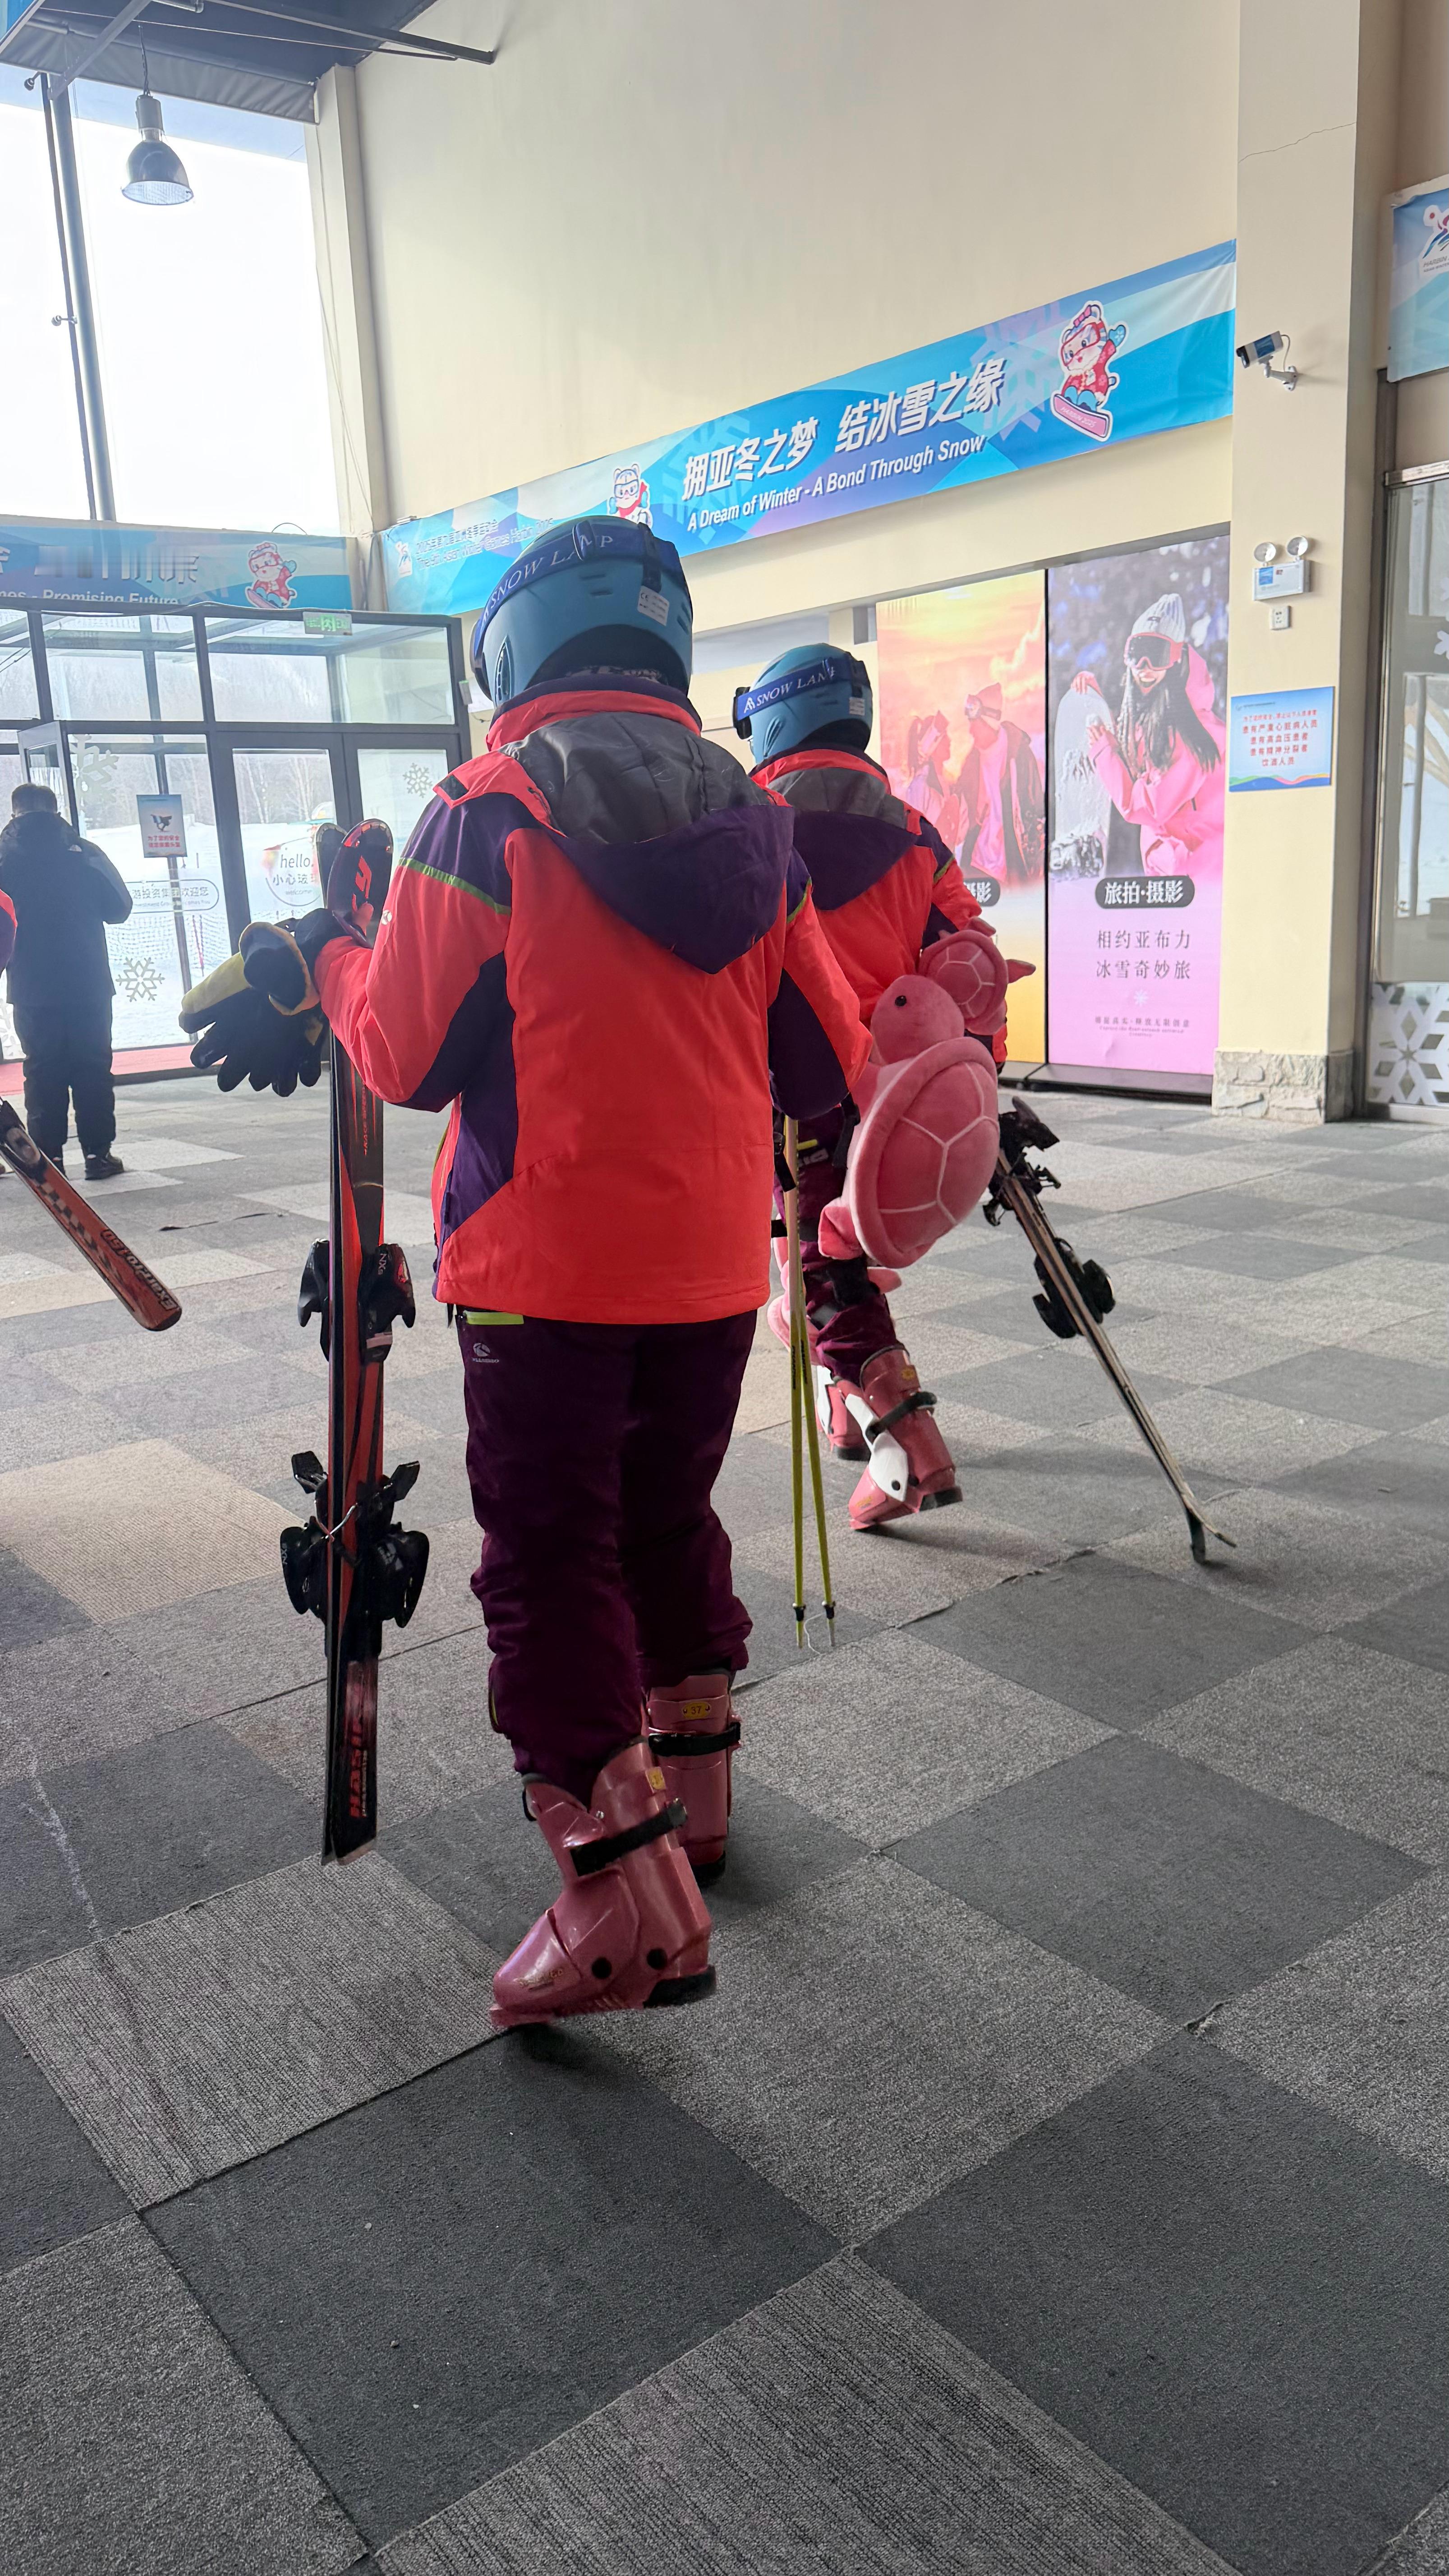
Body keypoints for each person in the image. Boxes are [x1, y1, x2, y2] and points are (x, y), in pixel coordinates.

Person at [229, 518, 869, 2027]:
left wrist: (334, 955)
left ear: (509, 651)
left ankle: (620, 1904)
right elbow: (827, 1060)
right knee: (662, 1517)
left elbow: (400, 1054)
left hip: (540, 1265)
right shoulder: (757, 821)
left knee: (547, 1556)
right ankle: (693, 1798)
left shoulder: (485, 809)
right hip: (709, 1262)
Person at [735, 644, 996, 1531]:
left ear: (770, 721)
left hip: (787, 1087)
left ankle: (910, 1450)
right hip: (891, 1090)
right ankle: (842, 1411)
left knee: (820, 1269)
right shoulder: (915, 831)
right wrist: (970, 1073)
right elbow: (967, 958)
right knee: (827, 1255)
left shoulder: (748, 825)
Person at [0, 783, 131, 1178]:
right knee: (93, 1065)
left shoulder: (3, 857)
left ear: (14, 814)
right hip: (87, 981)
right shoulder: (86, 852)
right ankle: (98, 1156)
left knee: (41, 1068)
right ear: (57, 813)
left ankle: (48, 1159)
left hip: (31, 985)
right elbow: (120, 907)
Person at [1069, 593, 1224, 877]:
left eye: (1157, 655)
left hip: (1197, 872)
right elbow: (1134, 754)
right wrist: (1095, 701)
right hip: (1172, 866)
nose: (1145, 667)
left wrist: (1104, 752)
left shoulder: (1193, 731)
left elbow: (1147, 807)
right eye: (1137, 654)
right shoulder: (1156, 715)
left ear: (1176, 659)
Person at [954, 680, 1044, 890]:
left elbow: (1036, 810)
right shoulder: (971, 763)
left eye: (975, 725)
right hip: (976, 863)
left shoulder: (1020, 756)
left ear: (989, 724)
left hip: (1014, 864)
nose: (970, 732)